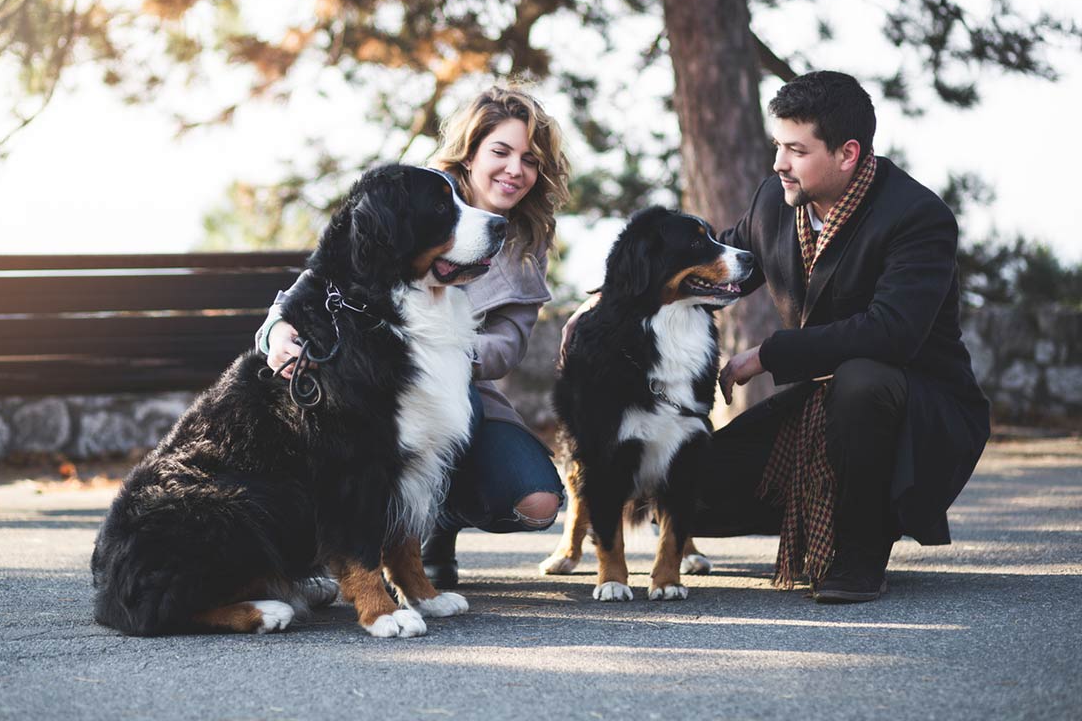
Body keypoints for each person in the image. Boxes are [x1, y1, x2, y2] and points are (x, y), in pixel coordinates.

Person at [566, 71, 990, 603]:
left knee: (862, 379)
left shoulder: (918, 218)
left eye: (796, 149)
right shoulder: (777, 201)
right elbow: (713, 262)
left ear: (848, 153)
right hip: (815, 409)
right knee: (692, 492)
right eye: (777, 146)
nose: (778, 164)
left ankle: (858, 555)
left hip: (914, 410)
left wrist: (767, 355)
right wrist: (606, 297)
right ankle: (821, 515)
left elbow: (892, 333)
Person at [258, 85, 571, 588]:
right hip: (373, 391)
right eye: (501, 151)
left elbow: (506, 349)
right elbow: (308, 289)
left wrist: (436, 349)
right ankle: (336, 559)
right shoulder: (404, 205)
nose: (516, 169)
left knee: (536, 502)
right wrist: (276, 333)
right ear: (469, 155)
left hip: (466, 398)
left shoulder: (524, 256)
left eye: (530, 160)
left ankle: (433, 527)